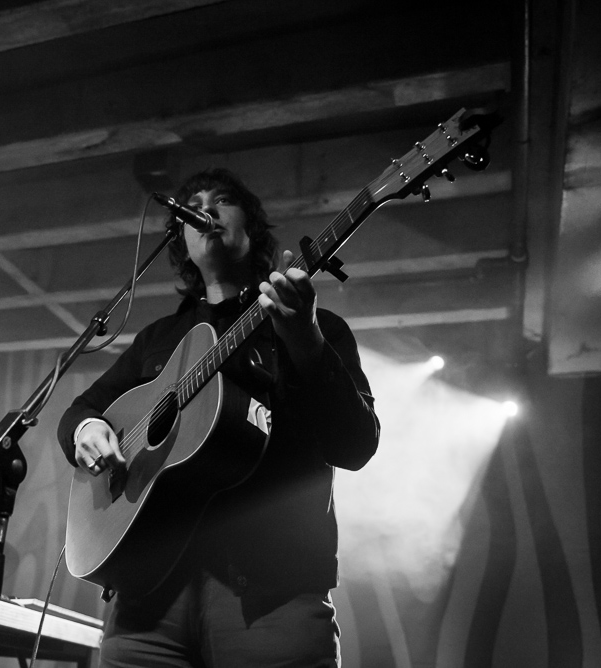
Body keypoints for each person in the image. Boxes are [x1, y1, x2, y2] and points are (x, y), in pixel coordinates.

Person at [57, 167, 380, 667]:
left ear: (250, 229)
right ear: (181, 239)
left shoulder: (314, 326)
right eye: (195, 203)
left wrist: (307, 342)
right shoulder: (158, 340)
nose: (205, 209)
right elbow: (82, 409)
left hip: (271, 595)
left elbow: (355, 445)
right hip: (147, 600)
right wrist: (87, 428)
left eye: (222, 200)